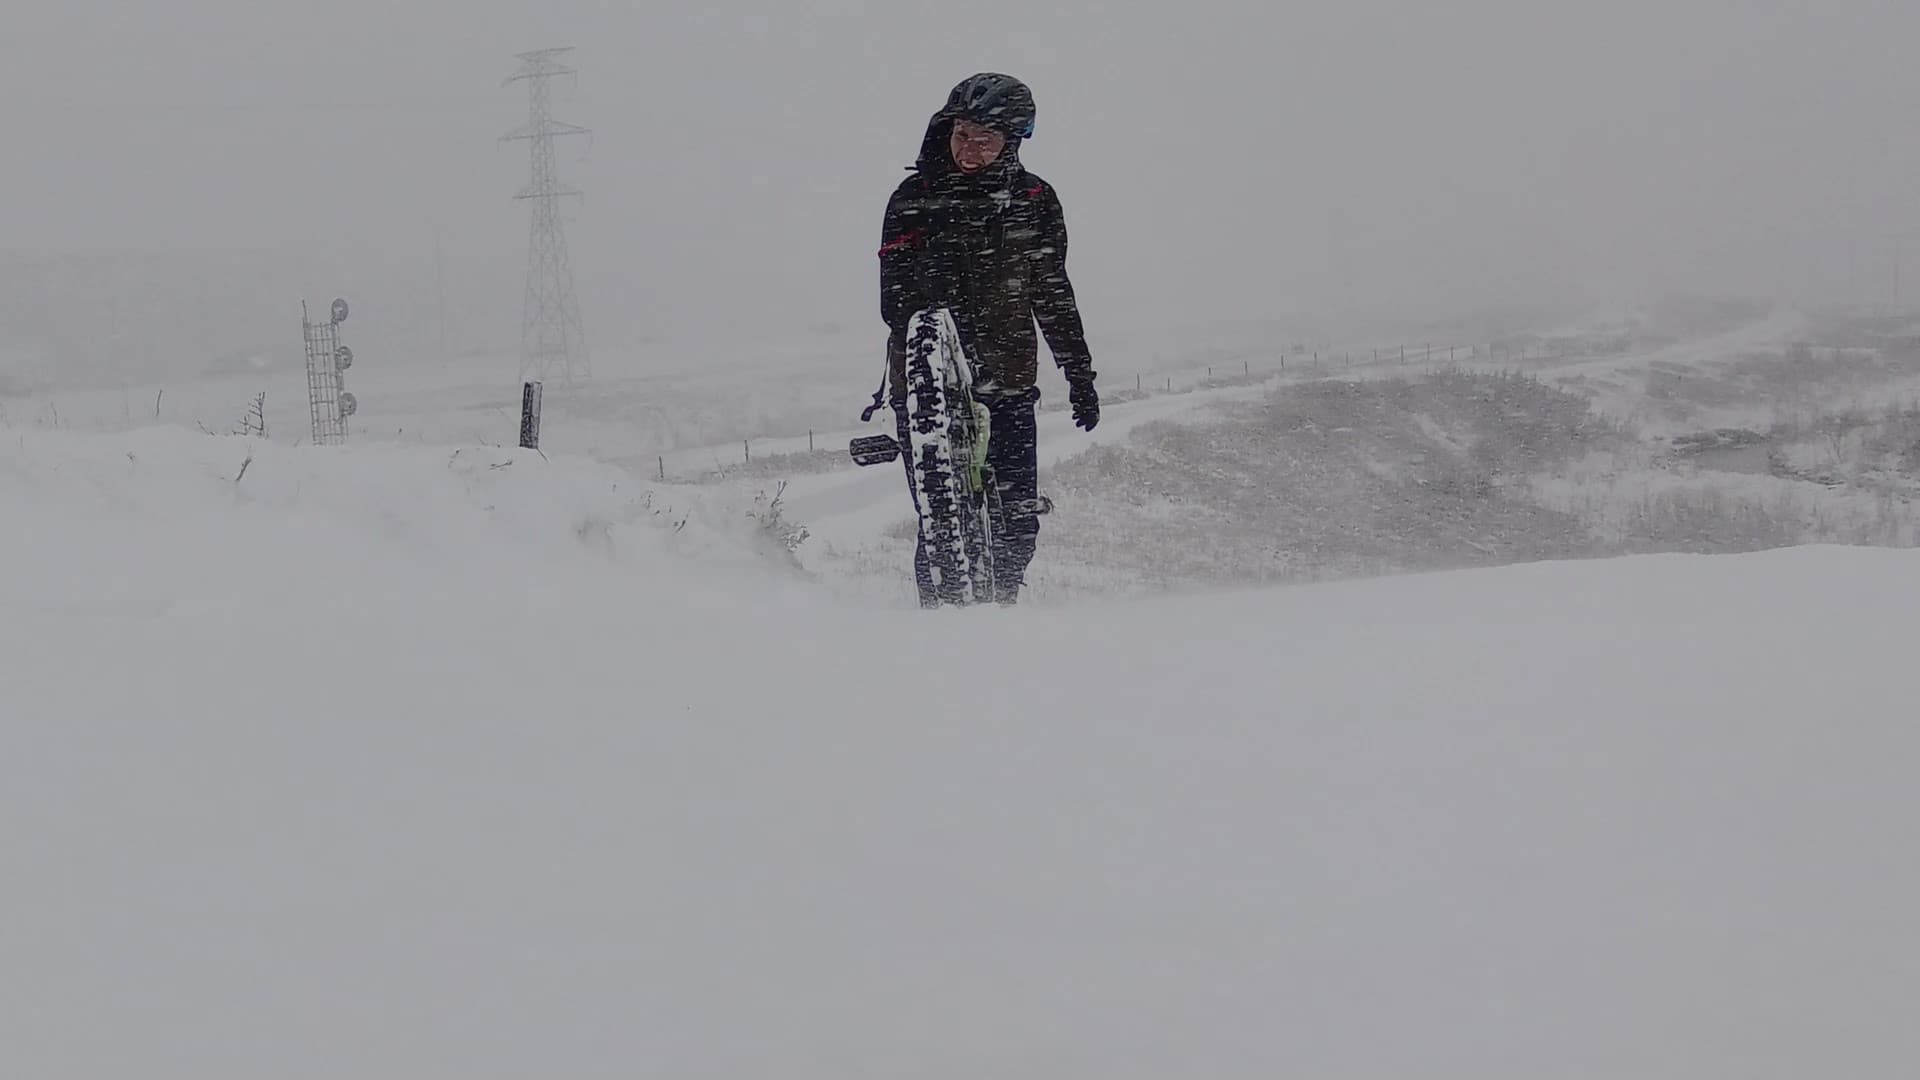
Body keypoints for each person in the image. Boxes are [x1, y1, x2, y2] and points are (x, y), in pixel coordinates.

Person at [877, 72, 1100, 607]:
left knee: (1016, 520)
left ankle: (1000, 612)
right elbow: (892, 300)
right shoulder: (913, 197)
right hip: (926, 388)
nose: (969, 149)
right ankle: (941, 619)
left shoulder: (1034, 200)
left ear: (1013, 141)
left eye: (984, 139)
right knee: (940, 520)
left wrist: (1079, 375)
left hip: (1009, 381)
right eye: (962, 134)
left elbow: (1052, 293)